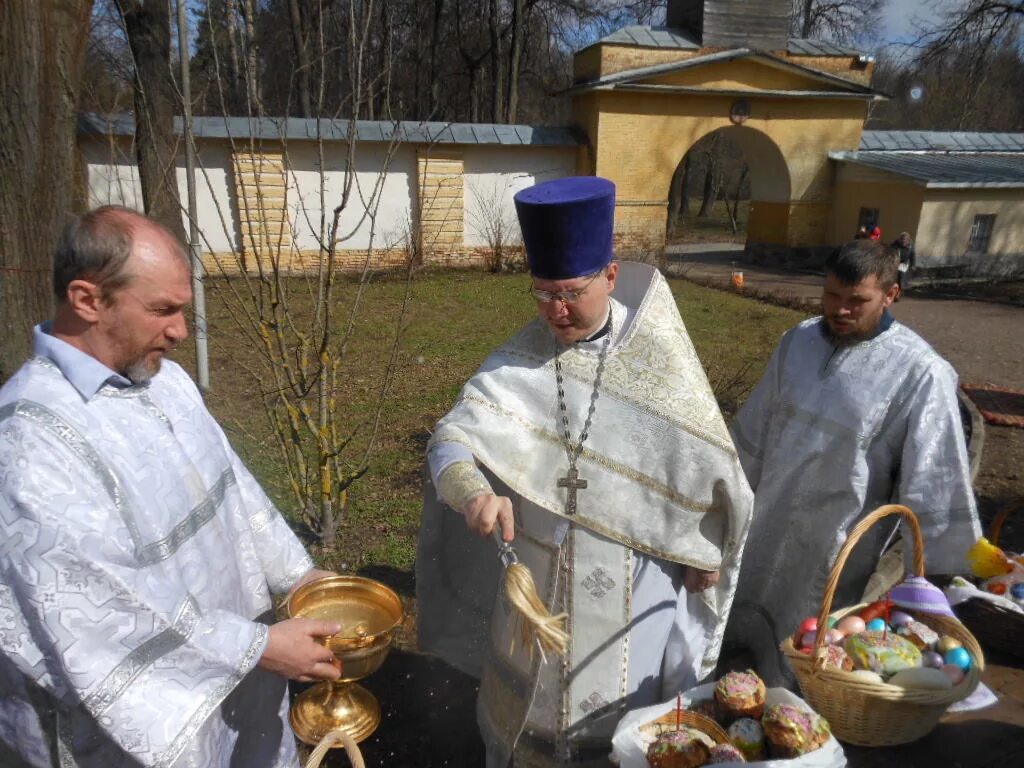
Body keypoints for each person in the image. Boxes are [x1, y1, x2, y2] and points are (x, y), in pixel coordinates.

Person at [416, 176, 753, 767]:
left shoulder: (661, 368)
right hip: (537, 585)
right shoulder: (519, 361)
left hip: (633, 586)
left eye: (571, 291)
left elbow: (709, 475)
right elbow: (451, 438)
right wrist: (471, 491)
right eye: (542, 293)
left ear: (611, 275)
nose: (557, 310)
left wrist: (704, 549)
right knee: (531, 732)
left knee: (626, 737)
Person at [0, 206, 344, 767]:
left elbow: (232, 491)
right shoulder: (27, 440)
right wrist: (253, 646)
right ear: (87, 299)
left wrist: (300, 577)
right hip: (132, 726)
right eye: (163, 310)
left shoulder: (163, 381)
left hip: (238, 681)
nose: (182, 331)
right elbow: (95, 604)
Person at [725, 238, 980, 686]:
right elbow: (756, 428)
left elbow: (936, 473)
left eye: (857, 301)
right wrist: (725, 493)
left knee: (810, 640)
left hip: (839, 533)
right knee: (746, 609)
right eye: (831, 296)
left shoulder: (921, 372)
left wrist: (937, 575)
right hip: (771, 510)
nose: (840, 310)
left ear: (891, 294)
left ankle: (796, 712)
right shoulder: (798, 341)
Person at [892, 231, 915, 297]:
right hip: (895, 262)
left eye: (904, 239)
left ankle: (899, 292)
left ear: (907, 240)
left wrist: (913, 265)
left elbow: (913, 256)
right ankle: (893, 290)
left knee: (901, 276)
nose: (902, 241)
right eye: (901, 239)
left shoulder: (910, 246)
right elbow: (890, 251)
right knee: (893, 276)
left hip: (904, 263)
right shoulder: (895, 244)